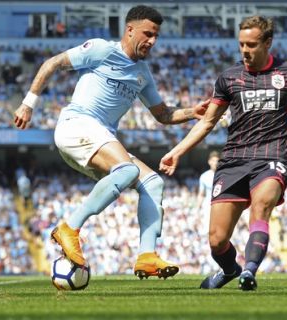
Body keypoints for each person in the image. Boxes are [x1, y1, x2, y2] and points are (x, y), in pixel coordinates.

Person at [159, 15, 287, 290]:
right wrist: (178, 151)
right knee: (217, 241)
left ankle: (249, 271)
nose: (245, 50)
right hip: (234, 160)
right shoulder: (229, 78)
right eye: (241, 44)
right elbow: (208, 122)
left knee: (261, 207)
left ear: (268, 43)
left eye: (252, 44)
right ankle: (231, 270)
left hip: (272, 157)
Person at [14, 5, 208, 280]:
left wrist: (192, 112)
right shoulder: (102, 50)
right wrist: (27, 104)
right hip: (77, 125)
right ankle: (69, 227)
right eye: (148, 34)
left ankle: (147, 255)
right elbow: (53, 63)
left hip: (99, 137)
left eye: (156, 36)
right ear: (130, 30)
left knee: (152, 182)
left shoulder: (143, 74)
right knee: (127, 169)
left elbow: (163, 115)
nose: (152, 41)